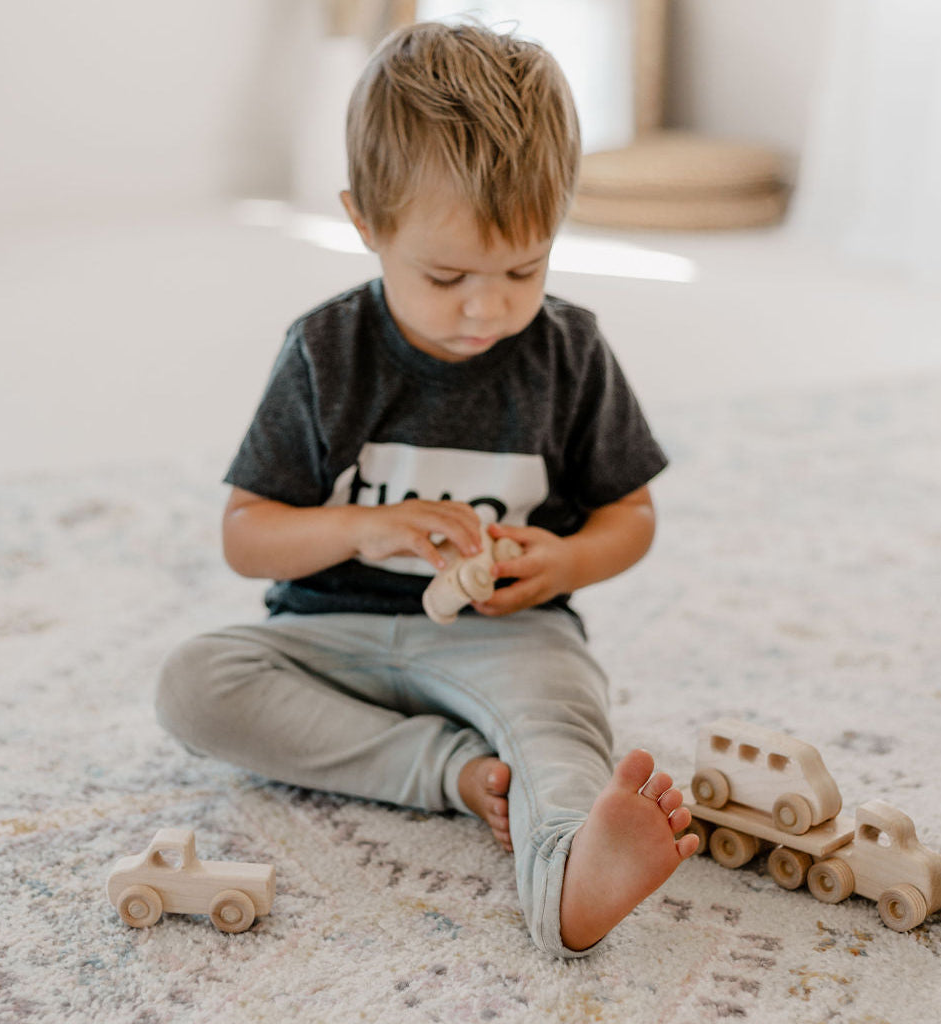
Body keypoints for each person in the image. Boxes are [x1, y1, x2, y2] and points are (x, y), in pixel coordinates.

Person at [156, 19, 699, 957]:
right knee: (196, 684)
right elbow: (247, 534)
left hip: (509, 635)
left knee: (565, 724)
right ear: (365, 220)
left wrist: (566, 558)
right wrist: (360, 531)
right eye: (446, 276)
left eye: (524, 269)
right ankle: (447, 770)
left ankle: (572, 869)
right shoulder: (327, 350)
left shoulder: (568, 352)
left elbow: (631, 513)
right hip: (333, 633)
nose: (486, 307)